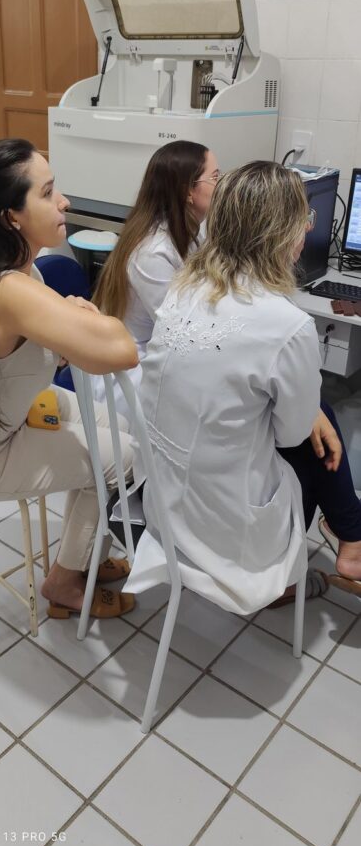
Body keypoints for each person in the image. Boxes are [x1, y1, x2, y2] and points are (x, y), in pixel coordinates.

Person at [0, 139, 139, 620]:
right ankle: (65, 581)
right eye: (48, 193)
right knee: (122, 458)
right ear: (10, 217)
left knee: (118, 428)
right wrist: (85, 319)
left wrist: (70, 324)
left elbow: (44, 351)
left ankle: (86, 549)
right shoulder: (10, 290)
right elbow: (121, 350)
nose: (65, 203)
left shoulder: (11, 269)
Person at [124, 161, 361, 614]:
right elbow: (290, 436)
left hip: (164, 500)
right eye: (305, 219)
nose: (308, 228)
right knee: (314, 433)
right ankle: (333, 548)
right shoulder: (288, 325)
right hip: (229, 527)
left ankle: (351, 535)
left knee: (316, 418)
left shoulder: (184, 290)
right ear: (285, 234)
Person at [92, 140, 219, 413]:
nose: (220, 185)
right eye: (215, 177)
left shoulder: (190, 231)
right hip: (133, 372)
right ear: (188, 191)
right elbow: (180, 331)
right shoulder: (152, 252)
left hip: (164, 355)